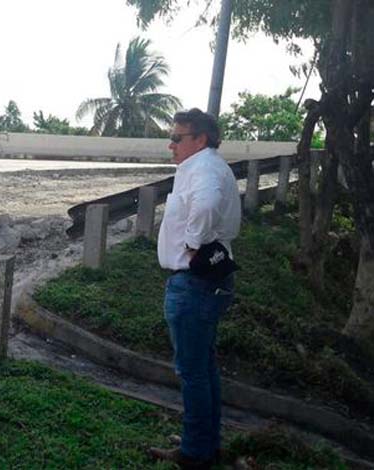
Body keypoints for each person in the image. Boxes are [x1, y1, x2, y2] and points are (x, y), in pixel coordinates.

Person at [149, 108, 241, 469]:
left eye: (177, 138)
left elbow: (204, 206)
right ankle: (203, 442)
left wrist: (192, 242)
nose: (170, 144)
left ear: (199, 139)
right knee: (203, 368)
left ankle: (195, 452)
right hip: (205, 282)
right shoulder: (208, 167)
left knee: (192, 371)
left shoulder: (203, 169)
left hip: (194, 283)